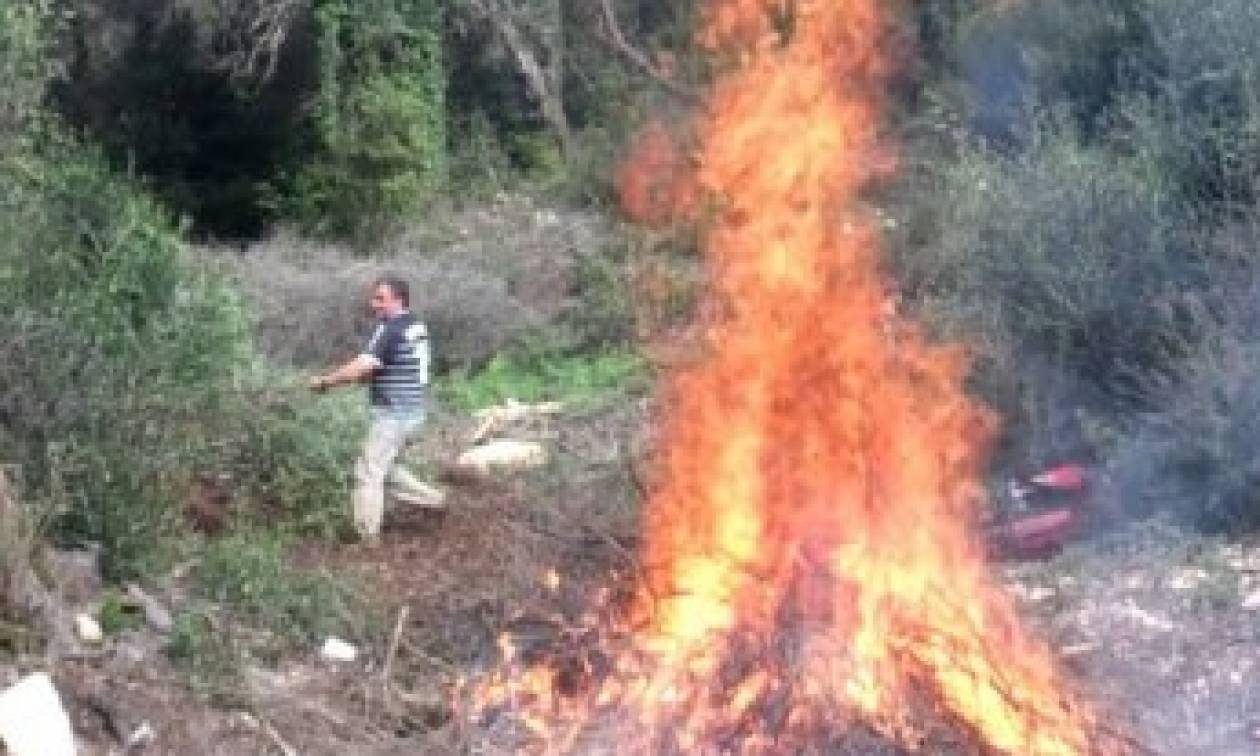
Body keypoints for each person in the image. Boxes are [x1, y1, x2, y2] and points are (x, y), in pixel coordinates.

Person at [310, 275, 444, 544]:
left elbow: (365, 365)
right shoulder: (415, 325)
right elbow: (387, 365)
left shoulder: (391, 329)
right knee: (387, 469)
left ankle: (367, 540)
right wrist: (363, 376)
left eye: (380, 298)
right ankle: (437, 501)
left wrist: (326, 382)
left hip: (395, 415)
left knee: (368, 473)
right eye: (374, 298)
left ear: (398, 299)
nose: (374, 304)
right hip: (414, 413)